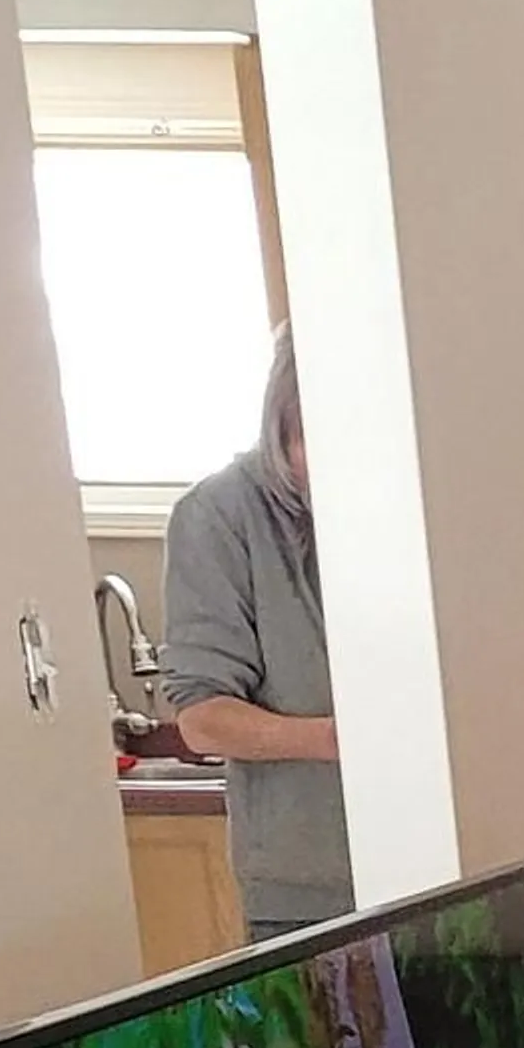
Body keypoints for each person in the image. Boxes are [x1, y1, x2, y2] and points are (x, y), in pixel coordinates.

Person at [158, 326, 352, 936]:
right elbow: (203, 718)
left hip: (438, 865)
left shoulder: (397, 502)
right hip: (304, 888)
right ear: (280, 421)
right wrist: (344, 740)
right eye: (310, 436)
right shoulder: (218, 517)